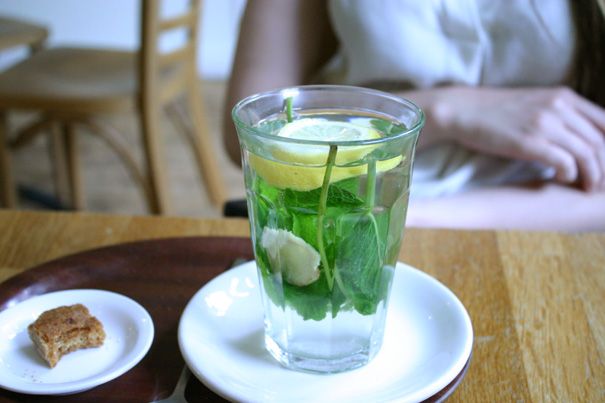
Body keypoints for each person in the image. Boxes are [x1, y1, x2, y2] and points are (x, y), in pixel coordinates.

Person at [223, 0, 605, 231]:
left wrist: (405, 220)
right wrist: (445, 110)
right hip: (341, 208)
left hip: (545, 227)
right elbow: (247, 129)